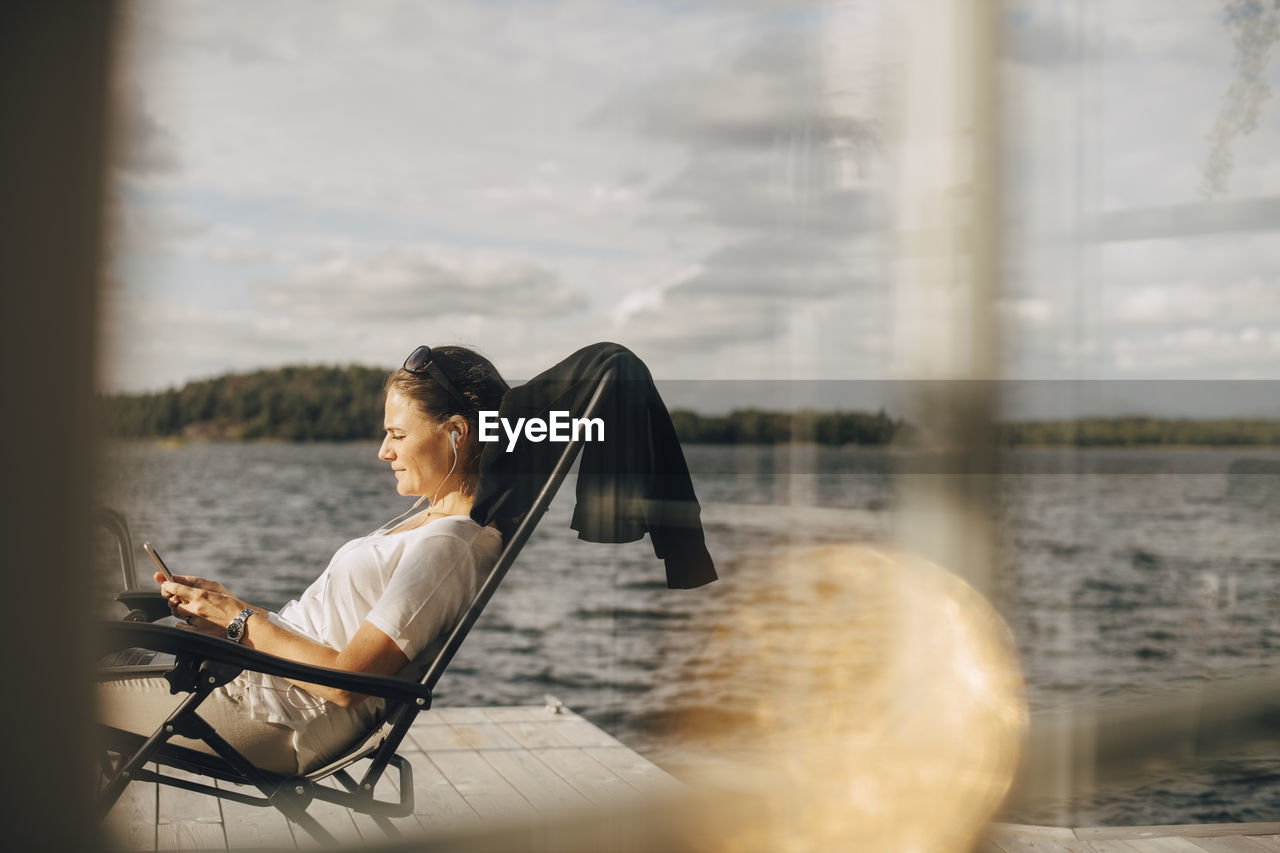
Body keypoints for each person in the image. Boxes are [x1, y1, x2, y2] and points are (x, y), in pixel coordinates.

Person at [98, 345, 509, 775]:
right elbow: (322, 632)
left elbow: (349, 683)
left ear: (457, 433)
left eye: (398, 435)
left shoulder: (450, 544)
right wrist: (226, 611)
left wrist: (240, 621)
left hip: (272, 717)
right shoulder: (429, 523)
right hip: (247, 684)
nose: (383, 452)